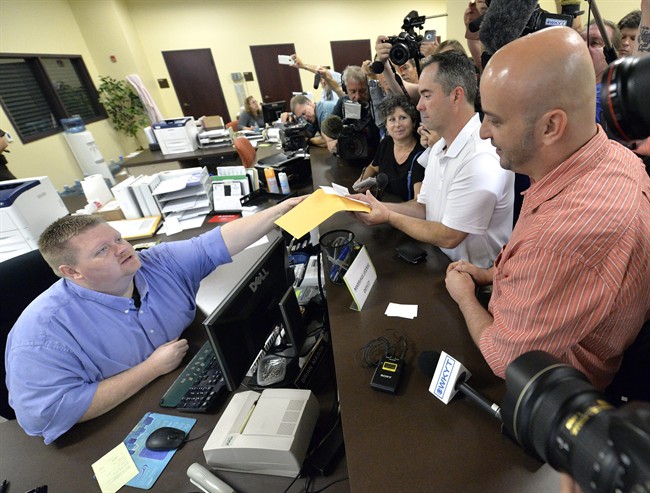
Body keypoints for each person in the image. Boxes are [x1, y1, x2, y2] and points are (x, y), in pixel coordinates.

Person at [445, 27, 650, 396]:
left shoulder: (560, 239)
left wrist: (462, 293)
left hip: (555, 389)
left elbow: (507, 360)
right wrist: (488, 274)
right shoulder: (617, 157)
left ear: (551, 126)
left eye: (495, 119)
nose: (483, 132)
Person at [5, 197, 304, 444]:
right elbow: (46, 415)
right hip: (108, 431)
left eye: (117, 238)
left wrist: (280, 211)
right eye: (102, 251)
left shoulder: (156, 263)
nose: (122, 249)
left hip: (186, 385)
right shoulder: (41, 335)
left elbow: (212, 244)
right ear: (72, 272)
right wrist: (150, 369)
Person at [352, 51, 514, 269]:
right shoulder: (439, 147)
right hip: (443, 262)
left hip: (476, 277)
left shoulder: (480, 157)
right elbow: (423, 207)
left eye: (427, 95)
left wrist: (388, 216)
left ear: (456, 96)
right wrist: (377, 205)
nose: (419, 106)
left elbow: (450, 235)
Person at [353, 94, 425, 201]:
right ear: (386, 126)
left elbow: (417, 201)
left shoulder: (420, 155)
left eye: (403, 118)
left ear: (413, 122)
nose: (397, 124)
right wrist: (361, 181)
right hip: (382, 204)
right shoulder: (386, 143)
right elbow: (373, 167)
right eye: (392, 119)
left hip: (403, 212)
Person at [323, 65, 381, 165]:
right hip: (348, 160)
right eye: (353, 91)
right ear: (346, 89)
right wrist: (329, 142)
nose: (357, 97)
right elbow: (326, 127)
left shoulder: (376, 104)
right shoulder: (343, 103)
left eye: (362, 91)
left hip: (374, 161)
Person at [580, 19, 622, 124]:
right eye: (580, 40)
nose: (583, 47)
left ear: (613, 54)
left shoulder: (609, 96)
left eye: (594, 42)